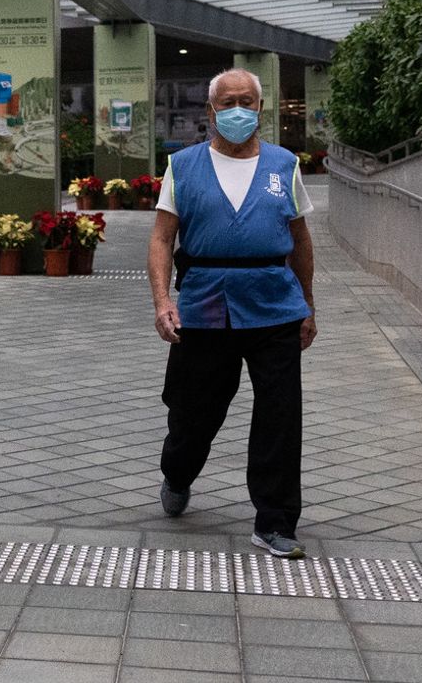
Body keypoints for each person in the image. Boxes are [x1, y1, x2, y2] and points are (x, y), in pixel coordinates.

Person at [146, 68, 318, 559]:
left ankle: (275, 521)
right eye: (228, 101)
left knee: (280, 417)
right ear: (212, 110)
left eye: (247, 100)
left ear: (260, 108)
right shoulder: (183, 166)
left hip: (274, 306)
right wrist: (163, 302)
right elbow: (161, 239)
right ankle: (177, 472)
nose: (238, 109)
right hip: (204, 308)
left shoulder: (284, 165)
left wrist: (308, 304)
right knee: (193, 414)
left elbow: (301, 241)